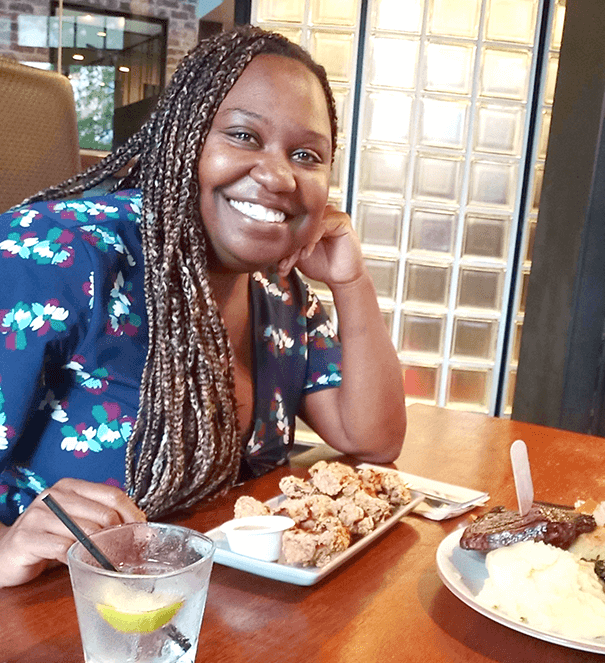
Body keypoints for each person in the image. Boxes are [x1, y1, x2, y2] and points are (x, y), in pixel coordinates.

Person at [0, 27, 406, 587]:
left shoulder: (278, 289)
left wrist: (352, 282)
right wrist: (4, 547)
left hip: (212, 613)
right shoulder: (58, 255)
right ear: (181, 140)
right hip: (57, 615)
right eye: (243, 136)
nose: (279, 175)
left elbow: (374, 438)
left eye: (307, 155)